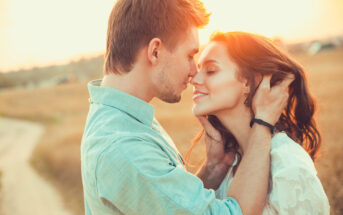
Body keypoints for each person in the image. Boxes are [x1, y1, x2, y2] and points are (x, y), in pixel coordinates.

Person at [81, 0, 291, 214]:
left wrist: (213, 169)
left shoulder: (123, 119)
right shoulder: (124, 147)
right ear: (155, 51)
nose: (193, 71)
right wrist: (263, 122)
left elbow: (164, 205)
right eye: (190, 56)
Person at [190, 31, 330, 214]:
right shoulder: (228, 162)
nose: (195, 79)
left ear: (248, 83)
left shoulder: (287, 164)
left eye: (211, 70)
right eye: (199, 69)